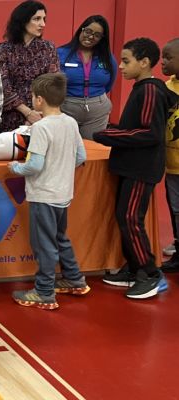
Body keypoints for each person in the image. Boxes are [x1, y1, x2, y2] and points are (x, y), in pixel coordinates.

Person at [94, 38, 178, 299]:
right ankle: (132, 267)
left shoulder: (151, 90)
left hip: (142, 169)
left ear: (143, 63)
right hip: (132, 166)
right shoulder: (142, 88)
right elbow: (137, 126)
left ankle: (149, 273)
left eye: (126, 61)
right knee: (124, 217)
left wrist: (108, 136)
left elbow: (148, 133)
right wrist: (114, 129)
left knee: (131, 219)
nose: (120, 66)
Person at [7, 73, 89, 310]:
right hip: (63, 194)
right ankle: (74, 278)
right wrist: (61, 168)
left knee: (44, 244)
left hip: (43, 195)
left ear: (39, 100)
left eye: (32, 97)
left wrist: (15, 167)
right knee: (60, 237)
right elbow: (80, 156)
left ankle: (44, 291)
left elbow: (34, 165)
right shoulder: (71, 122)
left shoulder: (40, 128)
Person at [0, 1, 59, 132]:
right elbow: (3, 85)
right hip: (10, 116)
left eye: (44, 19)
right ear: (23, 21)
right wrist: (27, 112)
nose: (43, 24)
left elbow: (53, 82)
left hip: (42, 115)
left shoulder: (48, 48)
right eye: (37, 19)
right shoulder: (3, 49)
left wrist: (37, 113)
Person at [57, 16, 117, 139]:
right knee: (65, 148)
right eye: (88, 31)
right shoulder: (60, 53)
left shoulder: (107, 57)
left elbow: (109, 83)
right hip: (66, 108)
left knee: (92, 151)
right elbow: (52, 82)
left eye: (97, 35)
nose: (90, 37)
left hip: (97, 111)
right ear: (81, 30)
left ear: (102, 39)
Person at [161, 38, 179, 270]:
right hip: (172, 163)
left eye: (168, 57)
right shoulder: (165, 87)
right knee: (176, 208)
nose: (162, 61)